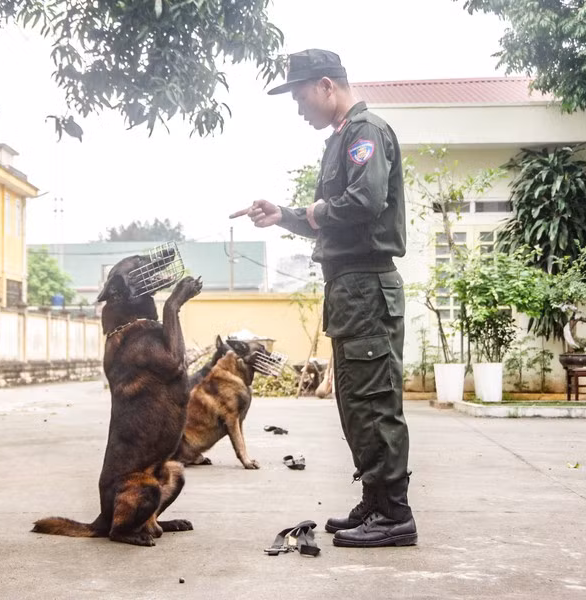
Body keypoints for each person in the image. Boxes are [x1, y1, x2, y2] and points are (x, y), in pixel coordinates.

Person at [230, 49, 416, 548]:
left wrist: (311, 213)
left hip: (366, 285)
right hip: (350, 287)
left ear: (327, 86)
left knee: (374, 401)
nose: (298, 108)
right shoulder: (343, 138)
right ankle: (375, 500)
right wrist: (285, 215)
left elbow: (365, 201)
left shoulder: (365, 132)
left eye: (300, 96)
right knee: (356, 402)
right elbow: (334, 216)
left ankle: (394, 513)